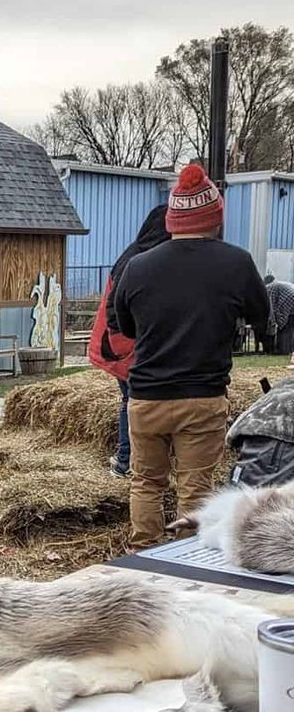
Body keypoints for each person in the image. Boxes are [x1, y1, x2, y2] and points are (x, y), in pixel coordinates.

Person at [109, 163, 270, 550]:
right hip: (202, 395)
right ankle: (185, 562)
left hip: (146, 397)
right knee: (195, 487)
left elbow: (123, 326)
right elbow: (262, 318)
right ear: (215, 218)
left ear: (172, 219)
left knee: (146, 482)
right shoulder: (237, 262)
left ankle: (142, 555)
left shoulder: (138, 266)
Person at [87, 204, 170, 479]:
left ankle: (127, 459)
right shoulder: (140, 262)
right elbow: (116, 311)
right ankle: (126, 460)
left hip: (121, 343)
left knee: (131, 400)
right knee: (132, 401)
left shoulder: (134, 255)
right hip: (123, 345)